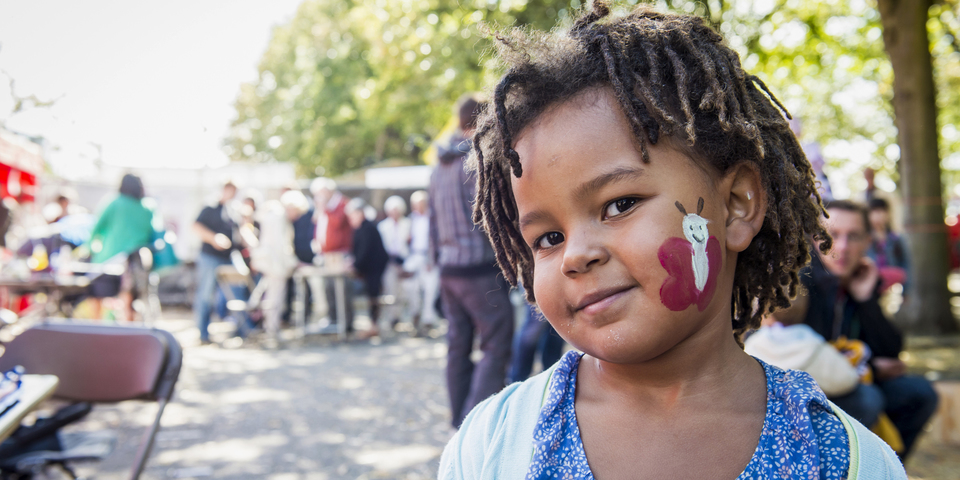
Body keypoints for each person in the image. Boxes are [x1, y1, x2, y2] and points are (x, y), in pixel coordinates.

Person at [440, 3, 904, 478]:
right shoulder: (491, 446)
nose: (575, 255)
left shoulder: (848, 460)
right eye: (549, 238)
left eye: (619, 205)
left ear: (737, 204)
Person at [800, 199, 937, 459]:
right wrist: (873, 368)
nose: (842, 246)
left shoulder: (859, 278)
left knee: (919, 393)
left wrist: (865, 301)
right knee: (868, 399)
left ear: (867, 242)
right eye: (831, 235)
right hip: (806, 394)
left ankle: (885, 469)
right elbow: (808, 362)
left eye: (853, 237)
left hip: (852, 383)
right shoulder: (800, 286)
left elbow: (892, 350)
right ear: (813, 239)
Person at [430, 95, 514, 430]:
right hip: (479, 270)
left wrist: (436, 262)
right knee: (496, 344)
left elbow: (433, 225)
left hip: (449, 270)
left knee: (457, 345)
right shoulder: (476, 160)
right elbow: (488, 218)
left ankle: (457, 419)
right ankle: (474, 425)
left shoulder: (437, 168)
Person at [86, 174, 154, 321]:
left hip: (108, 260)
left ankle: (94, 332)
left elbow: (96, 229)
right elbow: (150, 233)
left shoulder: (114, 203)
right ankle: (127, 332)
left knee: (98, 298)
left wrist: (90, 248)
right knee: (127, 300)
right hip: (134, 262)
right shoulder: (146, 209)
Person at [193, 180, 241, 345]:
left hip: (229, 258)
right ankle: (203, 333)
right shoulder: (210, 207)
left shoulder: (234, 211)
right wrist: (214, 239)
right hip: (210, 257)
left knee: (237, 294)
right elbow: (196, 227)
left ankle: (241, 330)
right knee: (206, 296)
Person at [250, 193, 301, 343]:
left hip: (270, 263)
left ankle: (270, 327)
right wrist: (291, 262)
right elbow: (280, 247)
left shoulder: (274, 217)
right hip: (275, 265)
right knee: (275, 297)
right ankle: (272, 329)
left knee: (272, 296)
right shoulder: (278, 219)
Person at [311, 177, 354, 330]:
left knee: (341, 289)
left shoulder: (342, 203)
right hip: (326, 255)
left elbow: (338, 223)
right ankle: (333, 319)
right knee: (328, 289)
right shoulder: (326, 207)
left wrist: (325, 208)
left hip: (340, 254)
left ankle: (346, 322)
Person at [345, 198, 389, 337]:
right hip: (369, 268)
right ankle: (372, 324)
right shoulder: (360, 228)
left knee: (373, 296)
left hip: (375, 268)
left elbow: (365, 251)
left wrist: (356, 266)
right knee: (371, 295)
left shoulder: (367, 227)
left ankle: (374, 326)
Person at [404, 190, 439, 334]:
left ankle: (428, 319)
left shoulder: (433, 218)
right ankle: (415, 313)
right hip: (414, 256)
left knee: (430, 288)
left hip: (429, 257)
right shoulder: (411, 219)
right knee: (409, 285)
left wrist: (432, 259)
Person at [377, 195, 413, 329]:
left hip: (406, 261)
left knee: (408, 289)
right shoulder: (383, 226)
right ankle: (394, 317)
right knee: (390, 289)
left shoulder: (408, 224)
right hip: (389, 262)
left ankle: (412, 316)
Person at [867, 197, 910, 291]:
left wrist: (906, 290)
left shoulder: (896, 238)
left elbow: (905, 264)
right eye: (874, 211)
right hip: (870, 285)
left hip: (892, 286)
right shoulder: (865, 239)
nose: (878, 215)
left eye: (881, 211)